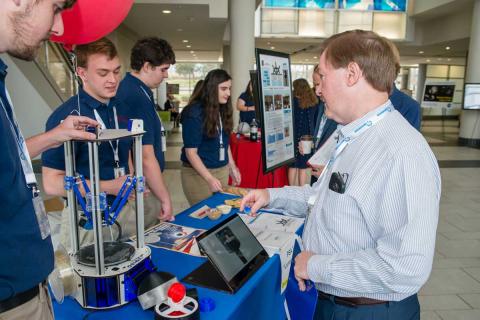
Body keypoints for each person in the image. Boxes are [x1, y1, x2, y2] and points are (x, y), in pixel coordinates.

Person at [241, 30, 441, 320]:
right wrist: (272, 196)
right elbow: (324, 199)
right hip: (338, 301)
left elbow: (404, 267)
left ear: (352, 74)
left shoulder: (400, 153)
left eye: (322, 76)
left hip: (368, 311)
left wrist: (315, 266)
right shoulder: (355, 135)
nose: (318, 89)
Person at [0, 1, 100, 318]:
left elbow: (8, 158)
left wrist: (55, 135)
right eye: (55, 8)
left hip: (30, 287)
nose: (58, 28)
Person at [42, 38, 152, 248]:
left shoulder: (121, 107)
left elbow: (124, 151)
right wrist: (110, 187)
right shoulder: (66, 117)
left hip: (125, 210)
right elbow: (51, 183)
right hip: (86, 220)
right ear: (82, 73)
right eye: (103, 73)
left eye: (116, 71)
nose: (113, 79)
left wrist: (130, 180)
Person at [117, 37, 175, 224]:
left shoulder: (138, 90)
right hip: (144, 185)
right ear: (147, 66)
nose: (166, 75)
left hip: (143, 181)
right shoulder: (135, 96)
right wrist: (165, 198)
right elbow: (145, 155)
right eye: (163, 69)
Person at [180, 69, 241, 205]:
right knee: (205, 215)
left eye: (229, 88)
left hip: (221, 169)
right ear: (211, 88)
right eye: (223, 89)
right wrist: (209, 179)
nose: (228, 93)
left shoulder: (223, 108)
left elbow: (225, 143)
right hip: (198, 174)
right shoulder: (194, 112)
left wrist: (232, 167)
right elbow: (191, 153)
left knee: (220, 213)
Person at [308, 65, 338, 185]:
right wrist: (311, 145)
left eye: (320, 84)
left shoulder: (343, 115)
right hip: (317, 174)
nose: (317, 91)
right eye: (315, 85)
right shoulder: (321, 106)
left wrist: (327, 174)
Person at [288, 78, 318, 186]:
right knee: (303, 166)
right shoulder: (313, 101)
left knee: (292, 165)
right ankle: (302, 190)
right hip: (308, 137)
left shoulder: (293, 101)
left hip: (293, 136)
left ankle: (291, 189)